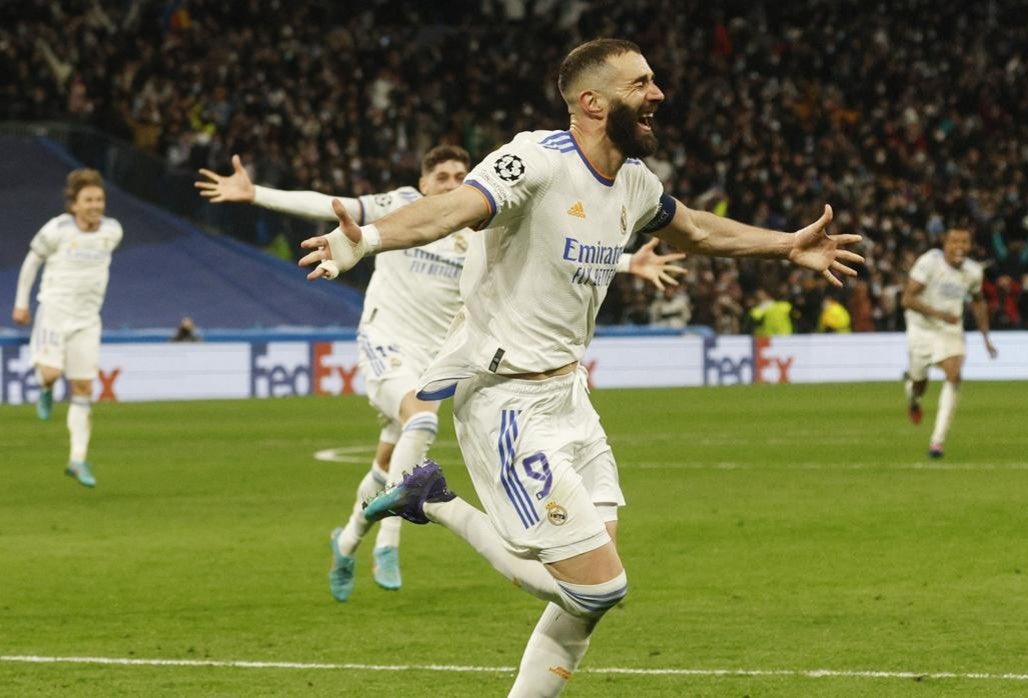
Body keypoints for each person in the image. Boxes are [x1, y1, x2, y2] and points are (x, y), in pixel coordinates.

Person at [297, 38, 862, 697]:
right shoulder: (534, 159)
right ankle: (435, 499)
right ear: (592, 102)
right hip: (508, 402)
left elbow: (700, 232)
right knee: (598, 589)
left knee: (582, 607)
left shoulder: (633, 182)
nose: (657, 95)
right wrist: (368, 236)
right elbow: (454, 207)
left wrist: (787, 247)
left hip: (570, 397)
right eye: (641, 84)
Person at [197, 146, 685, 603]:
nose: (453, 182)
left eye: (460, 175)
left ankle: (345, 544)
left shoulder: (481, 222)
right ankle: (390, 542)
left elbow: (556, 250)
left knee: (387, 462)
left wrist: (625, 262)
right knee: (423, 422)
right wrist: (255, 193)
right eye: (443, 176)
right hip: (386, 344)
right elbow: (332, 204)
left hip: (437, 360)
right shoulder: (404, 206)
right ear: (423, 182)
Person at [11, 168, 123, 488]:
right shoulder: (56, 231)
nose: (95, 205)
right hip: (54, 314)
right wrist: (21, 304)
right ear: (73, 204)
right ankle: (45, 390)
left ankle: (77, 459)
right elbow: (32, 263)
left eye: (99, 199)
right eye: (88, 200)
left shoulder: (113, 231)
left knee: (85, 389)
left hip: (88, 320)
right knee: (49, 373)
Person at [900, 228, 997, 459]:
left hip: (950, 329)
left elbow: (978, 301)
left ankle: (937, 442)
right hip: (921, 328)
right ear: (945, 243)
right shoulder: (929, 263)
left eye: (965, 241)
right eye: (955, 241)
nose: (960, 246)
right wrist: (939, 315)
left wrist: (985, 338)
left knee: (954, 374)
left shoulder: (973, 271)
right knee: (919, 383)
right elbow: (907, 299)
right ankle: (912, 396)